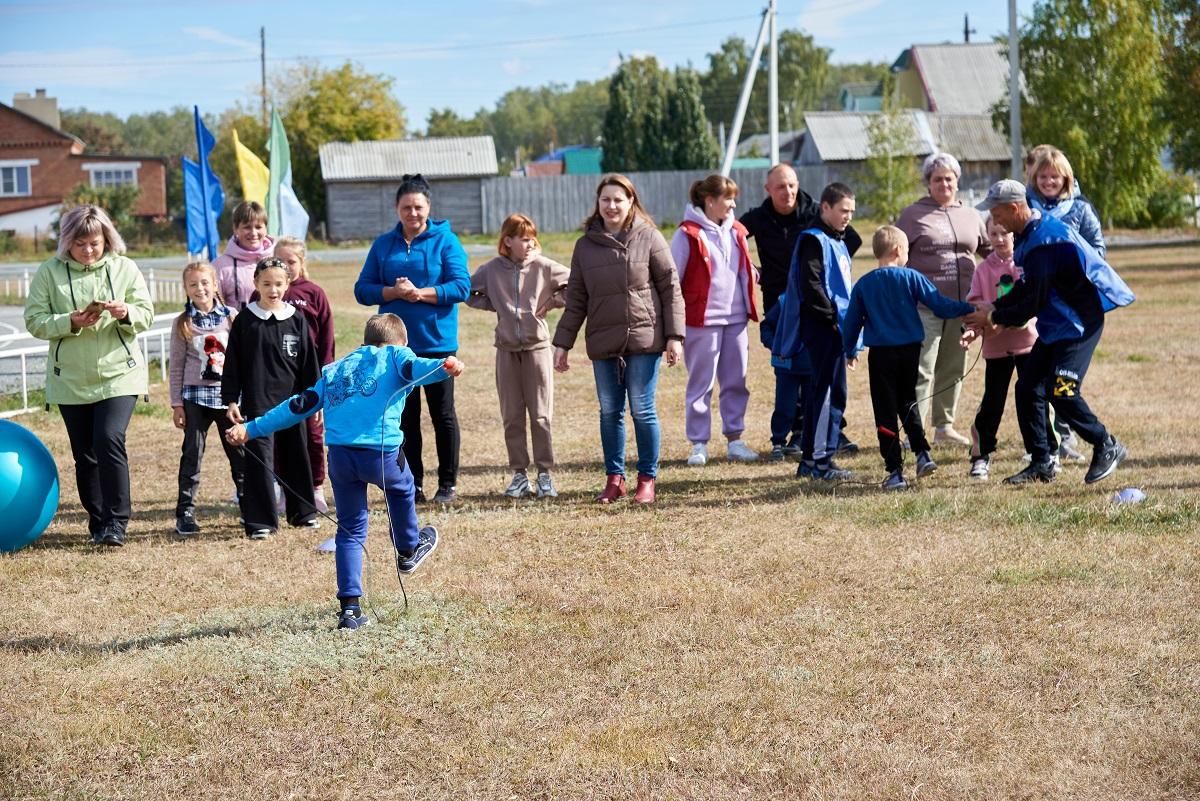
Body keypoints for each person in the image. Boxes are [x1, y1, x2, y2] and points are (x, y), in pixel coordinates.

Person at [226, 314, 464, 630]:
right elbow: (416, 368)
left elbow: (298, 406)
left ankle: (350, 610)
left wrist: (251, 428)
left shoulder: (336, 369)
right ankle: (408, 548)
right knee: (402, 486)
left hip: (340, 458)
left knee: (350, 529)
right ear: (401, 341)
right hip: (381, 454)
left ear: (364, 341)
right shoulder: (396, 355)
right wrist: (445, 367)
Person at [968, 179, 1134, 485]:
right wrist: (994, 306)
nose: (995, 220)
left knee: (1063, 391)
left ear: (1014, 208)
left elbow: (1035, 300)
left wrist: (996, 315)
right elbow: (1025, 286)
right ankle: (1041, 463)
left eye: (998, 213)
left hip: (1078, 325)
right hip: (1055, 324)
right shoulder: (1027, 235)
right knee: (1028, 387)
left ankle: (1105, 443)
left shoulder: (1047, 240)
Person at [23, 204, 154, 546]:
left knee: (109, 438)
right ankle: (98, 522)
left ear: (106, 239)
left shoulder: (125, 267)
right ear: (67, 242)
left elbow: (147, 313)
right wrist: (69, 322)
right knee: (85, 453)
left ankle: (117, 523)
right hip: (70, 380)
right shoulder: (49, 273)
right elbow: (34, 320)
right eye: (80, 244)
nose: (88, 250)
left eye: (94, 243)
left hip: (119, 375)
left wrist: (126, 312)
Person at [552, 173, 685, 505]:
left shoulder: (650, 237)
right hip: (603, 341)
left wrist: (674, 336)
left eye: (618, 199)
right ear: (598, 204)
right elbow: (577, 299)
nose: (611, 206)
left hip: (645, 338)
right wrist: (562, 343)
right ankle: (615, 479)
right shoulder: (585, 245)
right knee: (610, 410)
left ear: (631, 202)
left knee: (642, 409)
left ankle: (646, 480)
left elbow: (671, 289)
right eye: (605, 199)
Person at [354, 174, 470, 504]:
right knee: (405, 418)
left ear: (428, 207)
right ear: (397, 208)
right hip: (394, 348)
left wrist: (421, 294)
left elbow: (461, 286)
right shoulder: (383, 245)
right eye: (406, 207)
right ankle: (412, 482)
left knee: (442, 415)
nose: (412, 213)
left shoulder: (446, 241)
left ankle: (447, 484)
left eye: (418, 207)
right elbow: (362, 289)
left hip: (436, 345)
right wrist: (392, 292)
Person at [740, 163, 863, 455]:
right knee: (789, 368)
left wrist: (832, 269)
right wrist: (751, 267)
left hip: (814, 301)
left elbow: (853, 240)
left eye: (792, 185)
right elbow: (733, 236)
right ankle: (797, 432)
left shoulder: (814, 213)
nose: (788, 192)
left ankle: (831, 430)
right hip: (779, 304)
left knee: (818, 370)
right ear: (768, 189)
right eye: (781, 187)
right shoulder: (758, 217)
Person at [842, 226, 974, 490]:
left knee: (885, 409)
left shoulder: (864, 283)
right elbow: (939, 305)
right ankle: (922, 455)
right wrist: (969, 308)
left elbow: (852, 322)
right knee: (908, 402)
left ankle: (894, 472)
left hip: (881, 355)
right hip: (911, 350)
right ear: (899, 250)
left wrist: (850, 350)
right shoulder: (912, 277)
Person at [467, 213, 569, 499]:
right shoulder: (491, 270)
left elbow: (577, 286)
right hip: (506, 351)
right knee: (511, 415)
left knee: (540, 415)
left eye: (531, 238)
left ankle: (545, 474)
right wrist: (494, 305)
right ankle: (519, 475)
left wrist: (551, 301)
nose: (529, 243)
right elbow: (467, 290)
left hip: (537, 349)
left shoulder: (544, 266)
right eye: (523, 239)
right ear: (507, 241)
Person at [222, 257, 320, 537]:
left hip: (293, 403)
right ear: (256, 284)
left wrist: (314, 398)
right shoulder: (246, 320)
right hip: (257, 403)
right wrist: (231, 399)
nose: (273, 289)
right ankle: (261, 521)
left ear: (287, 284)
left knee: (296, 456)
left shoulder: (296, 319)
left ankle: (303, 513)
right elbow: (233, 364)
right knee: (259, 462)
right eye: (266, 283)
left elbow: (308, 364)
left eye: (278, 283)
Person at [897, 152, 989, 447]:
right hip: (925, 306)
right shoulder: (912, 216)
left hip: (963, 306)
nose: (944, 184)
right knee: (921, 368)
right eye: (938, 179)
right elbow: (895, 255)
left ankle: (944, 427)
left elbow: (990, 250)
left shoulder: (971, 215)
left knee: (954, 367)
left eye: (949, 178)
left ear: (957, 181)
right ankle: (914, 431)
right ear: (928, 183)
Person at [669, 174, 759, 466]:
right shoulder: (686, 234)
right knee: (701, 383)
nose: (734, 204)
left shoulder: (737, 232)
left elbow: (740, 268)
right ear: (710, 201)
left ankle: (735, 440)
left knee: (736, 381)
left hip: (736, 320)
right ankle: (698, 443)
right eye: (728, 198)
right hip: (701, 321)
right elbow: (673, 279)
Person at [780, 183, 857, 481]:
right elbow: (811, 286)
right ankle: (821, 461)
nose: (848, 216)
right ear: (825, 207)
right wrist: (833, 319)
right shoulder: (814, 240)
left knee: (825, 391)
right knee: (828, 393)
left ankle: (811, 460)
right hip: (823, 328)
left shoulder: (836, 239)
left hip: (835, 327)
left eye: (851, 211)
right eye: (842, 210)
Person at [256, 236, 335, 512]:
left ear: (302, 262)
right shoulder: (268, 292)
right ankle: (283, 489)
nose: (286, 268)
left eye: (291, 261)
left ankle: (315, 489)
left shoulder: (314, 293)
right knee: (278, 434)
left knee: (313, 434)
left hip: (309, 379)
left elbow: (326, 342)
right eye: (280, 261)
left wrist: (325, 382)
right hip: (276, 379)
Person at [959, 217, 1039, 481]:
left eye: (1005, 233)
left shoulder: (1026, 264)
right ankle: (980, 456)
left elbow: (1032, 303)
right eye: (994, 233)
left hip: (1027, 344)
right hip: (996, 348)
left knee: (1033, 399)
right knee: (993, 401)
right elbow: (976, 309)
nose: (1000, 238)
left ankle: (1043, 451)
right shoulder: (983, 271)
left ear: (1015, 235)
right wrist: (971, 331)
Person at [169, 262, 244, 536]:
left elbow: (242, 360)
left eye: (204, 283)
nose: (200, 289)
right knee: (192, 454)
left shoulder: (232, 317)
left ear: (215, 285)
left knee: (238, 452)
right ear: (186, 290)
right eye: (193, 285)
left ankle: (248, 504)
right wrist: (177, 403)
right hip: (195, 398)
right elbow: (176, 366)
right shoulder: (183, 323)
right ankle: (185, 512)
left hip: (227, 399)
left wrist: (241, 395)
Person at [1025, 145, 1106, 256]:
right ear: (1035, 178)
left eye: (1054, 176)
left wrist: (1072, 261)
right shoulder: (1025, 207)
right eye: (1043, 176)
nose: (1048, 182)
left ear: (1065, 178)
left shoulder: (1082, 210)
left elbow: (1098, 251)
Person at [214, 200, 275, 311]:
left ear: (266, 228)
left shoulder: (278, 259)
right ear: (235, 229)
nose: (253, 233)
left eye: (258, 227)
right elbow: (213, 308)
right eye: (247, 227)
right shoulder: (220, 266)